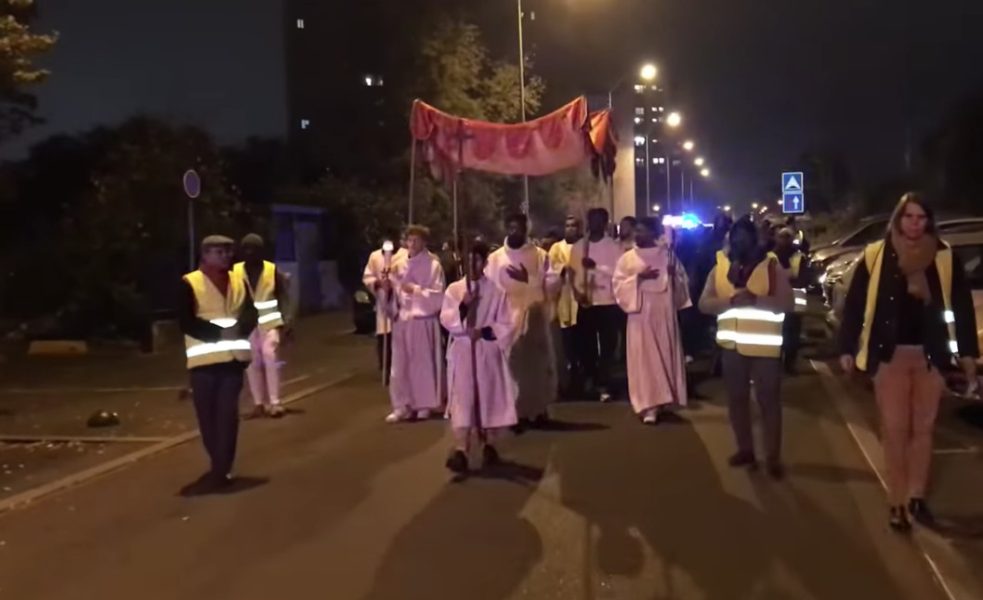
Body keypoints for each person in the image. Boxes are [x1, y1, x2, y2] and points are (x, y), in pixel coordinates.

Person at [839, 192, 978, 532]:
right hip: (890, 357)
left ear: (928, 221)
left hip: (931, 356)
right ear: (898, 220)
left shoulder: (943, 257)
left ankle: (917, 496)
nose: (915, 224)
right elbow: (855, 306)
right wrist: (846, 347)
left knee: (924, 430)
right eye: (908, 217)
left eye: (921, 218)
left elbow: (960, 307)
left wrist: (969, 355)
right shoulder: (876, 255)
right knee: (895, 430)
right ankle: (897, 501)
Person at [699, 217, 793, 479]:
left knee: (769, 404)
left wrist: (756, 299)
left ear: (756, 238)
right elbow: (704, 304)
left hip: (765, 350)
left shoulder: (771, 265)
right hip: (732, 348)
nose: (740, 241)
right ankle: (746, 450)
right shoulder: (719, 267)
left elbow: (788, 303)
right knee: (737, 402)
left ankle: (773, 458)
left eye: (745, 236)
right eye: (735, 236)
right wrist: (729, 302)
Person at [178, 235, 257, 489]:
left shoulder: (238, 280)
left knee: (226, 416)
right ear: (205, 255)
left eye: (227, 252)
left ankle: (221, 469)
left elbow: (250, 312)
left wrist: (242, 328)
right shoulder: (190, 283)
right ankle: (218, 463)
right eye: (219, 252)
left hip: (233, 361)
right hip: (203, 362)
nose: (225, 256)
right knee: (207, 419)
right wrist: (217, 333)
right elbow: (186, 321)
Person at [441, 240, 520, 473]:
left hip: (485, 350)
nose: (472, 264)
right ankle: (461, 449)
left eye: (477, 260)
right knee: (463, 399)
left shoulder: (496, 291)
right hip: (464, 350)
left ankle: (488, 444)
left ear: (484, 262)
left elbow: (506, 321)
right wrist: (464, 308)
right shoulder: (455, 289)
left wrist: (485, 331)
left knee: (486, 398)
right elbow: (447, 318)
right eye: (469, 260)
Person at [613, 217, 690, 424]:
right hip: (640, 314)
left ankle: (664, 400)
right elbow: (618, 285)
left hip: (663, 312)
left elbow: (682, 285)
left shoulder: (668, 255)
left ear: (654, 233)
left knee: (664, 355)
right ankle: (648, 404)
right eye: (636, 231)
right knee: (645, 359)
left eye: (643, 231)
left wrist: (674, 277)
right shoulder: (627, 258)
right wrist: (638, 278)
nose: (638, 234)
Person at [486, 213, 559, 427]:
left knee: (535, 366)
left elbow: (553, 284)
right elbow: (489, 286)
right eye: (510, 227)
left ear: (526, 229)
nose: (514, 231)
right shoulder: (496, 258)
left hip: (533, 313)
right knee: (510, 366)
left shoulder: (539, 255)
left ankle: (537, 410)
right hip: (506, 315)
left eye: (518, 227)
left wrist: (528, 280)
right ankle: (512, 412)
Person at [384, 225, 446, 423]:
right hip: (403, 320)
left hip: (422, 320)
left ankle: (424, 404)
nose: (412, 244)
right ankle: (402, 405)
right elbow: (393, 290)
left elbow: (438, 296)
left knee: (422, 365)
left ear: (424, 242)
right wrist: (387, 289)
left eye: (416, 240)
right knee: (400, 365)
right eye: (409, 240)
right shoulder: (399, 263)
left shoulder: (433, 265)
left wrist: (416, 291)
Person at [568, 208, 623, 402]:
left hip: (607, 301)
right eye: (592, 220)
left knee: (608, 345)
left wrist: (596, 267)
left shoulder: (614, 247)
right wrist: (577, 294)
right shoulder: (579, 247)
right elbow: (572, 274)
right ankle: (591, 376)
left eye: (600, 221)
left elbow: (619, 273)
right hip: (586, 302)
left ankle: (605, 382)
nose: (595, 224)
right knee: (586, 344)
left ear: (606, 223)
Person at [234, 234, 291, 418]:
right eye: (247, 248)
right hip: (247, 323)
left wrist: (288, 321)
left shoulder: (271, 270)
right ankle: (259, 403)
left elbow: (285, 297)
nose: (250, 252)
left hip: (270, 322)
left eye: (254, 249)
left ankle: (275, 402)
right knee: (252, 362)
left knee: (270, 356)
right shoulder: (235, 271)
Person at [362, 232, 407, 383]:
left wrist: (395, 284)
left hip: (401, 306)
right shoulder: (375, 257)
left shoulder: (405, 256)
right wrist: (378, 284)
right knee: (384, 339)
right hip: (383, 305)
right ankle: (386, 370)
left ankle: (402, 371)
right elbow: (368, 276)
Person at [548, 216, 583, 397]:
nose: (570, 229)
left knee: (580, 343)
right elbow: (551, 271)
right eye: (567, 225)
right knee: (564, 343)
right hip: (562, 298)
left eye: (573, 226)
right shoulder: (556, 248)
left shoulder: (583, 247)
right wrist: (563, 269)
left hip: (579, 299)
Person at [773, 227, 809, 374]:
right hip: (781, 302)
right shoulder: (772, 256)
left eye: (786, 237)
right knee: (780, 336)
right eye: (782, 237)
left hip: (793, 302)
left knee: (791, 336)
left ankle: (788, 365)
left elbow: (803, 278)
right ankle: (782, 365)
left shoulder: (798, 256)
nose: (784, 240)